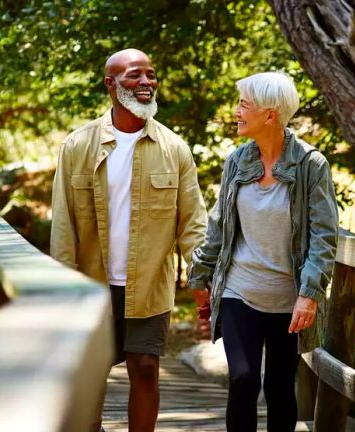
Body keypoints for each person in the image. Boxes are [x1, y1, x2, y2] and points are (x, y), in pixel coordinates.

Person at [50, 48, 207, 432]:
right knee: (88, 376)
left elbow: (193, 223)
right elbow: (64, 224)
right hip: (90, 283)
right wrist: (60, 286)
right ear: (111, 83)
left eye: (151, 76)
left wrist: (202, 280)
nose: (146, 83)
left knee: (146, 368)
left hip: (149, 282)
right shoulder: (77, 146)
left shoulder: (174, 148)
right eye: (136, 75)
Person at [189, 71, 338, 431]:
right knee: (242, 378)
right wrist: (200, 274)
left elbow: (323, 234)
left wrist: (310, 293)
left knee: (279, 388)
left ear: (269, 114)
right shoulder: (237, 161)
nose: (237, 112)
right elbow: (219, 225)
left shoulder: (310, 165)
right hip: (240, 291)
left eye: (244, 105)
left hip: (289, 300)